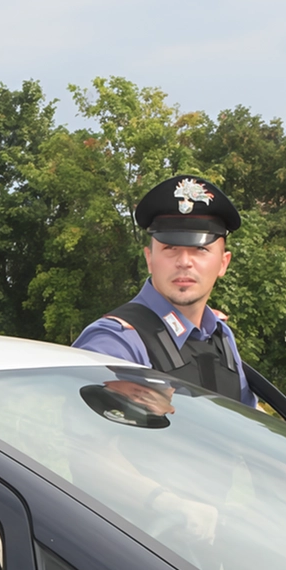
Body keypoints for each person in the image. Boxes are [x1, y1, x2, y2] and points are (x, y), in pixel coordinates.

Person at [73, 174, 257, 407]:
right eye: (170, 248)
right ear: (149, 259)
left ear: (223, 263)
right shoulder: (117, 342)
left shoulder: (221, 337)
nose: (184, 262)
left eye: (200, 249)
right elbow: (84, 436)